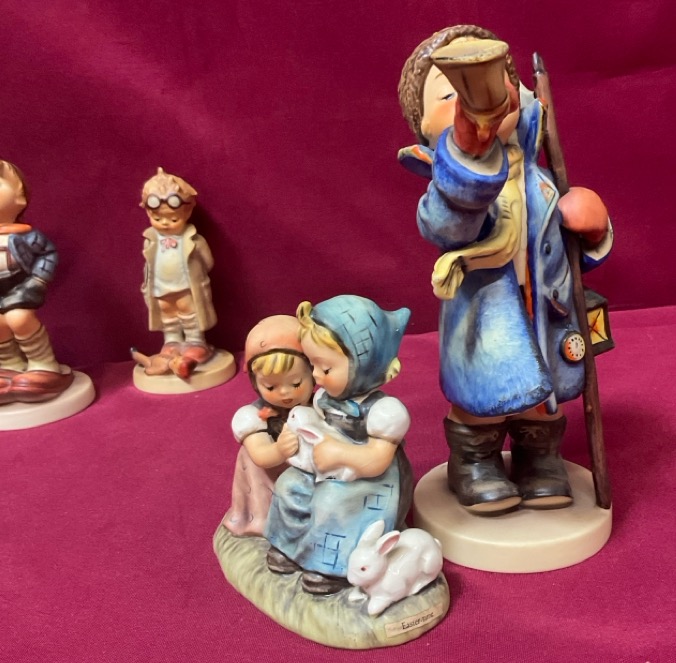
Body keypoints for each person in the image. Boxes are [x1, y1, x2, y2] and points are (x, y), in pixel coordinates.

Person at [398, 26, 612, 514]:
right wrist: (468, 160)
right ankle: (475, 461)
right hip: (485, 318)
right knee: (483, 395)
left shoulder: (541, 181)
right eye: (450, 93)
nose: (475, 98)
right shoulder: (452, 188)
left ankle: (540, 458)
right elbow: (448, 226)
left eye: (494, 81)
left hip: (547, 308)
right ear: (424, 127)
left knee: (544, 393)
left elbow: (570, 255)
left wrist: (593, 228)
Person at [264, 295, 412, 595]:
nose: (316, 376)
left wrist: (340, 453)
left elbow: (378, 460)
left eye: (326, 368)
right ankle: (291, 547)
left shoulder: (384, 411)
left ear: (365, 366)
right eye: (313, 365)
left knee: (330, 502)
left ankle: (333, 566)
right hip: (326, 469)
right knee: (289, 485)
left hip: (371, 482)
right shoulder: (324, 398)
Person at [225, 315, 314, 536]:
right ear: (256, 384)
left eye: (296, 383)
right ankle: (271, 524)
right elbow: (260, 456)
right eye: (271, 387)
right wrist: (279, 450)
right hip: (271, 478)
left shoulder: (320, 405)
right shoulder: (253, 416)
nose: (285, 393)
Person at [0, 160, 73, 403]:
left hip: (20, 288)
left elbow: (47, 254)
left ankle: (43, 363)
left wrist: (38, 280)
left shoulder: (27, 236)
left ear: (19, 196)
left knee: (19, 319)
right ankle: (9, 365)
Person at [138, 168, 217, 379]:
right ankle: (172, 341)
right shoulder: (150, 240)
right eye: (158, 218)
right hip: (160, 288)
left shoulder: (193, 240)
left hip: (186, 287)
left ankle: (196, 341)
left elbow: (208, 262)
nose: (165, 223)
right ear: (148, 213)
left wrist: (198, 276)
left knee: (189, 311)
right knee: (167, 314)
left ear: (186, 213)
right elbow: (148, 265)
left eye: (173, 219)